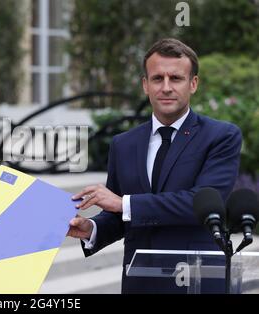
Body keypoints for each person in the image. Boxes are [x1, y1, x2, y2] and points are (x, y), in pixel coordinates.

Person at [67, 38, 242, 293]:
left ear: (193, 84)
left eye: (176, 78)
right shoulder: (123, 144)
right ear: (145, 85)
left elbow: (200, 203)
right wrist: (91, 228)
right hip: (140, 283)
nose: (166, 87)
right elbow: (121, 216)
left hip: (197, 282)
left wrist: (123, 203)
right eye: (158, 78)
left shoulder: (221, 136)